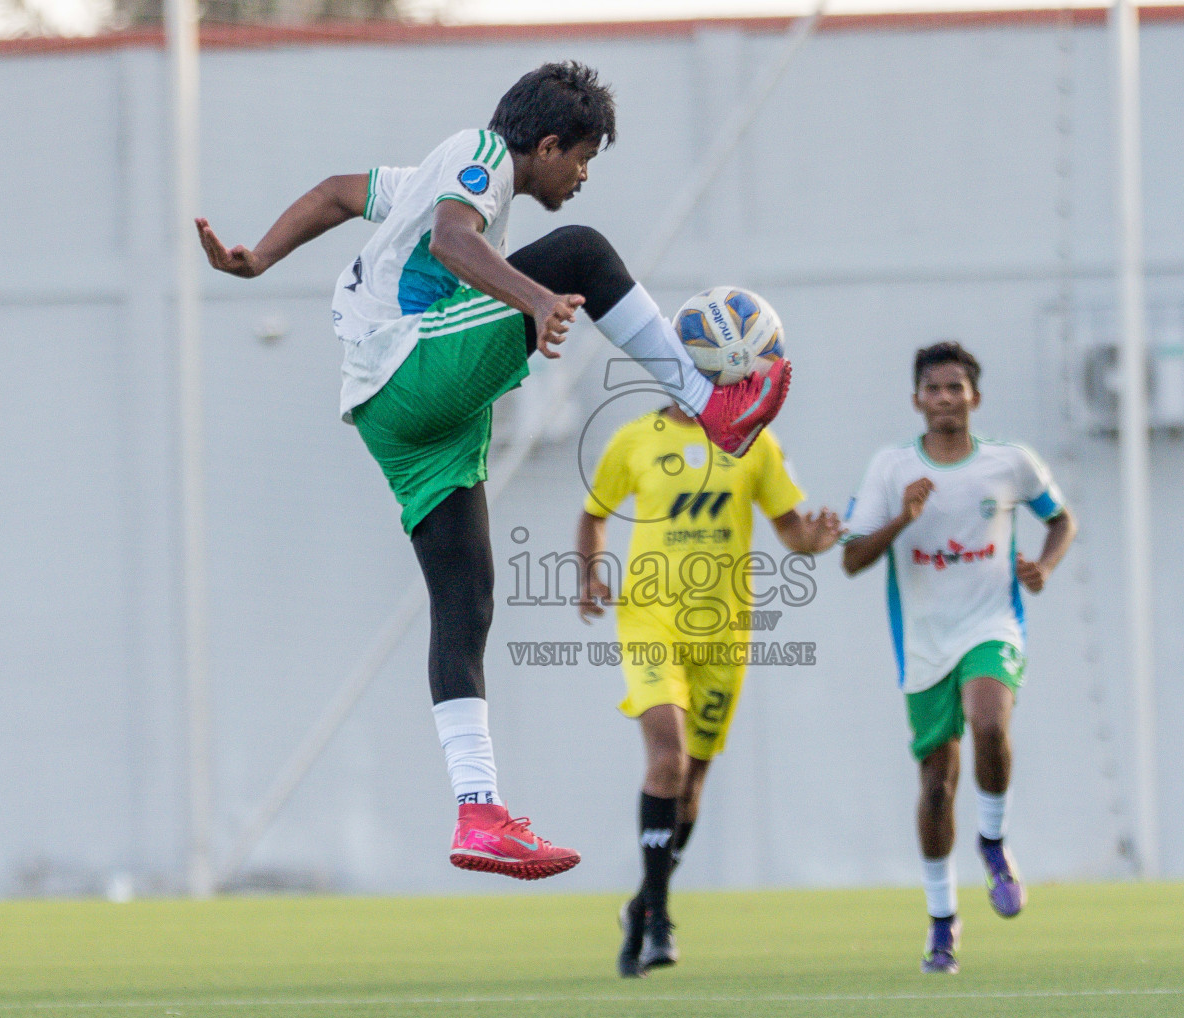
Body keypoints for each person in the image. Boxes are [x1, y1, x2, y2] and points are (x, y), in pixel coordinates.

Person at [195, 62, 792, 881]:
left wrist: (258, 257)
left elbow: (340, 192)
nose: (582, 174)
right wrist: (538, 299)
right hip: (411, 367)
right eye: (581, 157)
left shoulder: (442, 178)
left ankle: (479, 813)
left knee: (466, 601)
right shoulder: (477, 154)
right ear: (544, 145)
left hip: (395, 418)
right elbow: (451, 240)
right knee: (580, 252)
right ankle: (703, 398)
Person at [577, 401, 841, 976]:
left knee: (692, 781)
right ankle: (660, 923)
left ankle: (640, 908)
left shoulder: (754, 442)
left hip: (723, 632)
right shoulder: (634, 439)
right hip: (651, 622)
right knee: (667, 759)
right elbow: (594, 513)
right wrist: (590, 573)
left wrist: (816, 539)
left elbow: (791, 529)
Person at [841, 341, 1076, 973]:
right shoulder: (891, 470)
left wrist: (1044, 568)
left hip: (991, 625)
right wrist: (902, 519)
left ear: (975, 396)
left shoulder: (1008, 464)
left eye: (956, 388)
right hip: (924, 644)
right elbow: (852, 558)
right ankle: (943, 919)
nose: (946, 399)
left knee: (991, 721)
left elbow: (1061, 521)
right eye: (934, 389)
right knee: (937, 783)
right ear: (917, 399)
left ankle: (994, 844)